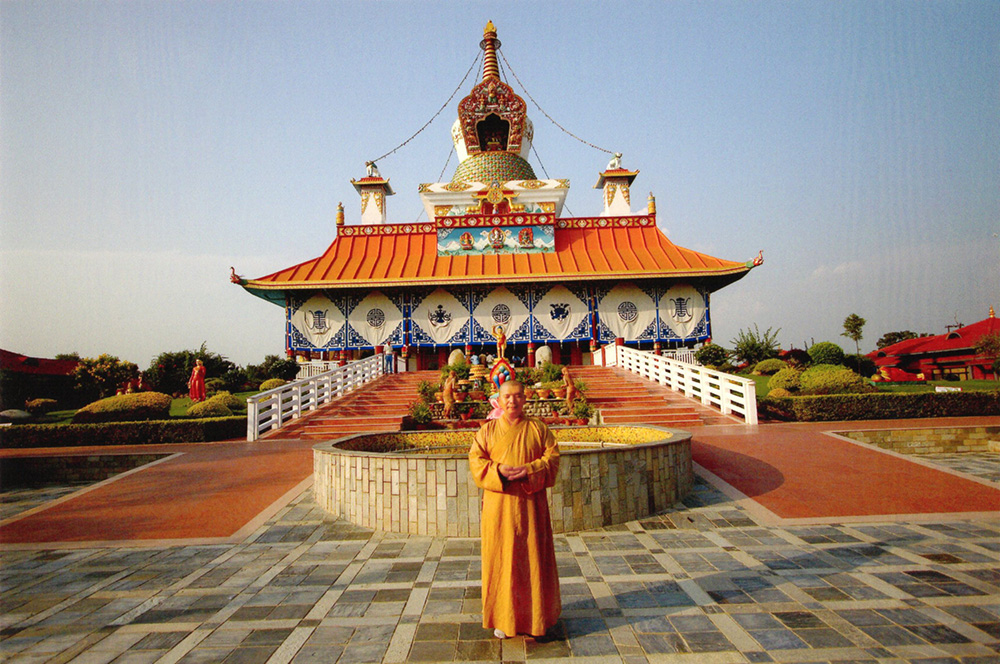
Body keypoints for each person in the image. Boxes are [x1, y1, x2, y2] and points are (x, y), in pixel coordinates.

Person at [468, 380, 561, 639]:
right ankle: (502, 617)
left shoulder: (538, 428)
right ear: (498, 400)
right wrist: (497, 470)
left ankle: (536, 618)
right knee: (501, 559)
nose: (513, 401)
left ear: (524, 399)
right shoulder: (486, 431)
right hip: (499, 506)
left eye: (518, 396)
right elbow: (476, 461)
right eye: (507, 397)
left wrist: (530, 469)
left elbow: (552, 458)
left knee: (533, 558)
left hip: (531, 505)